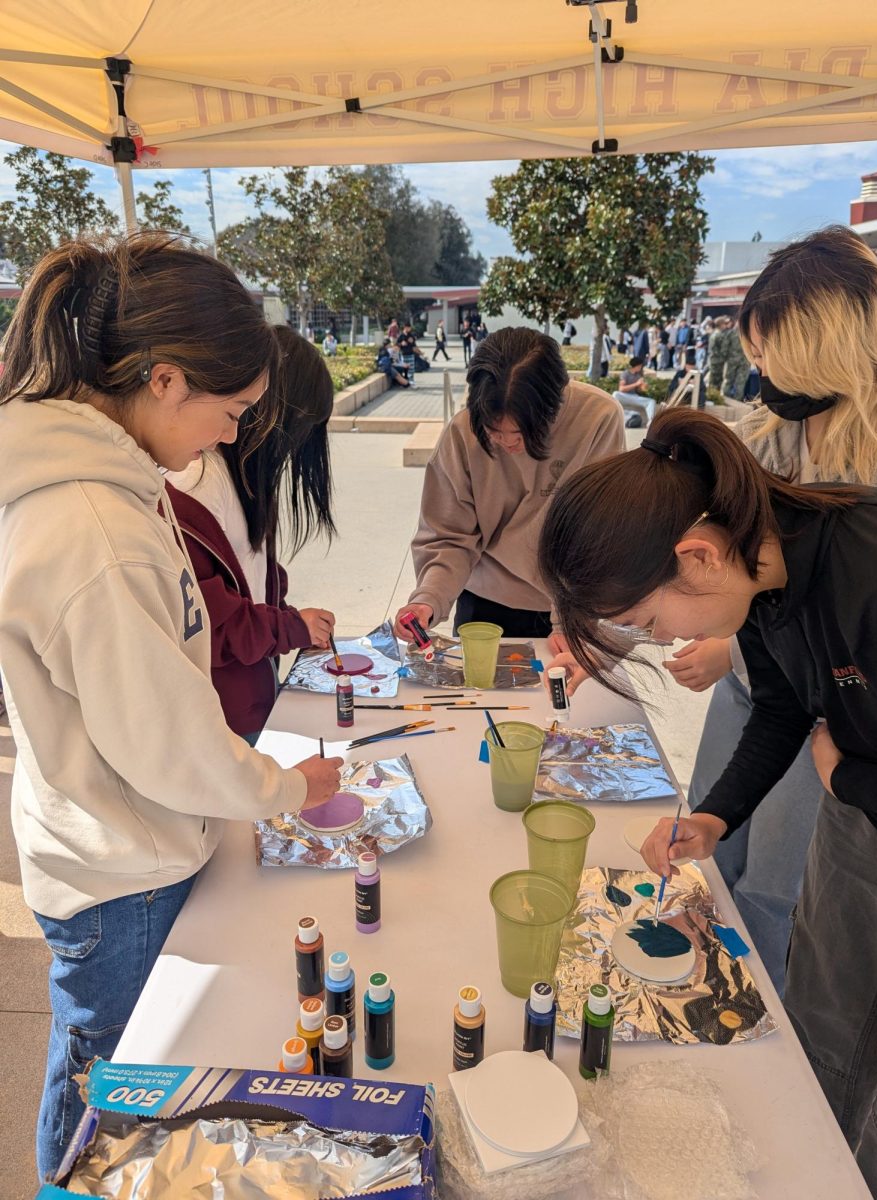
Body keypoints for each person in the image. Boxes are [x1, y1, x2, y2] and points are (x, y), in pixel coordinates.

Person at [0, 233, 343, 1183]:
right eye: (230, 412)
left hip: (117, 842)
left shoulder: (109, 486)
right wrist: (286, 785)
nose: (233, 438)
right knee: (106, 1082)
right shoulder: (93, 529)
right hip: (123, 871)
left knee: (105, 1070)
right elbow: (164, 739)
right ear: (164, 381)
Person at [539, 405, 877, 1200]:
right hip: (862, 808)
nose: (669, 643)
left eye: (650, 621)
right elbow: (779, 706)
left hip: (870, 786)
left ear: (695, 556)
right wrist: (713, 817)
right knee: (822, 1019)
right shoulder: (763, 575)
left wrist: (850, 781)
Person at [664, 227, 877, 993]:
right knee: (715, 835)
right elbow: (746, 576)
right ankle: (698, 967)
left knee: (777, 878)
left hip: (847, 710)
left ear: (829, 346)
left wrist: (728, 649)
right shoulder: (770, 432)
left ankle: (752, 1007)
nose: (759, 374)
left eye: (771, 356)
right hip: (768, 685)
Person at [392, 327, 625, 644]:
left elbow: (594, 537)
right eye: (493, 431)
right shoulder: (462, 433)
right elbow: (448, 537)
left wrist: (567, 623)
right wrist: (428, 598)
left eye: (521, 433)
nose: (507, 443)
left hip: (573, 607)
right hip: (485, 603)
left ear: (554, 405)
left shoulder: (598, 417)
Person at [167, 326, 338, 743]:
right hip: (220, 720)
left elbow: (249, 581)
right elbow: (209, 625)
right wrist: (290, 627)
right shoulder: (199, 483)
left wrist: (290, 618)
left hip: (249, 699)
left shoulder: (240, 475)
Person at [709, 315, 750, 399]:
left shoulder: (731, 333)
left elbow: (725, 348)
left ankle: (725, 398)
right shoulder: (749, 333)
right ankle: (738, 400)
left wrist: (725, 357)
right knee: (740, 382)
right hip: (745, 360)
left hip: (732, 360)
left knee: (728, 380)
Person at [614, 356, 657, 427]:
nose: (641, 367)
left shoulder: (639, 375)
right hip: (624, 396)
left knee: (651, 401)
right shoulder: (625, 374)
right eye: (640, 365)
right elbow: (621, 389)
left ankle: (651, 422)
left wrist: (643, 387)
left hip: (634, 397)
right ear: (636, 366)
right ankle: (617, 416)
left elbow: (639, 390)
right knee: (615, 394)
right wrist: (636, 384)